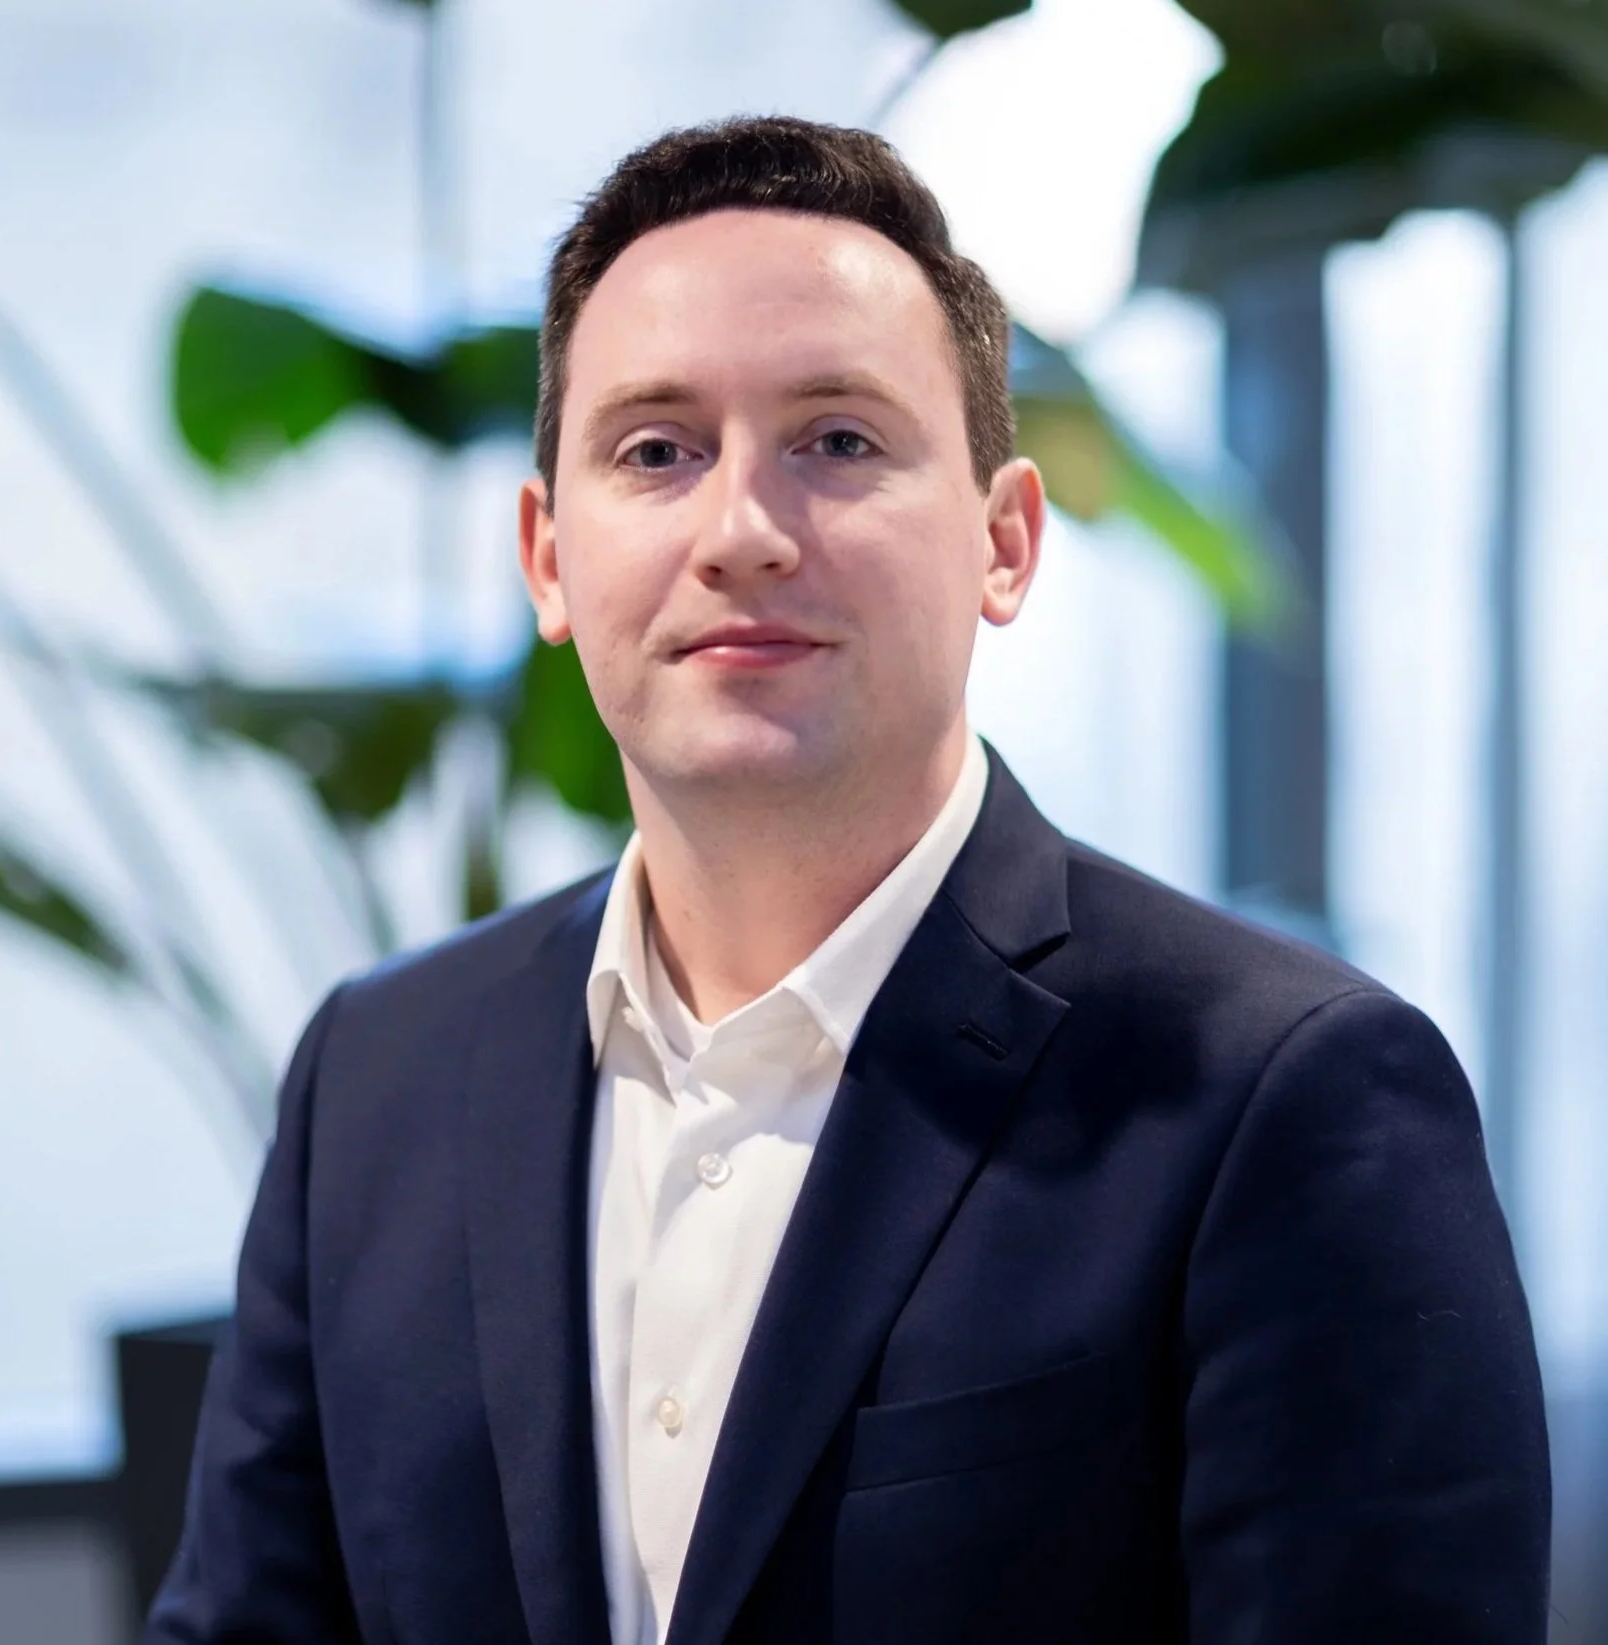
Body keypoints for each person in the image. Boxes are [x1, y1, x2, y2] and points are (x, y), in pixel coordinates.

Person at [144, 116, 1550, 1645]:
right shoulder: (378, 1077)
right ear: (548, 559)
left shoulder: (1285, 1097)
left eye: (839, 442)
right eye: (656, 451)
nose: (742, 532)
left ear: (1005, 542)